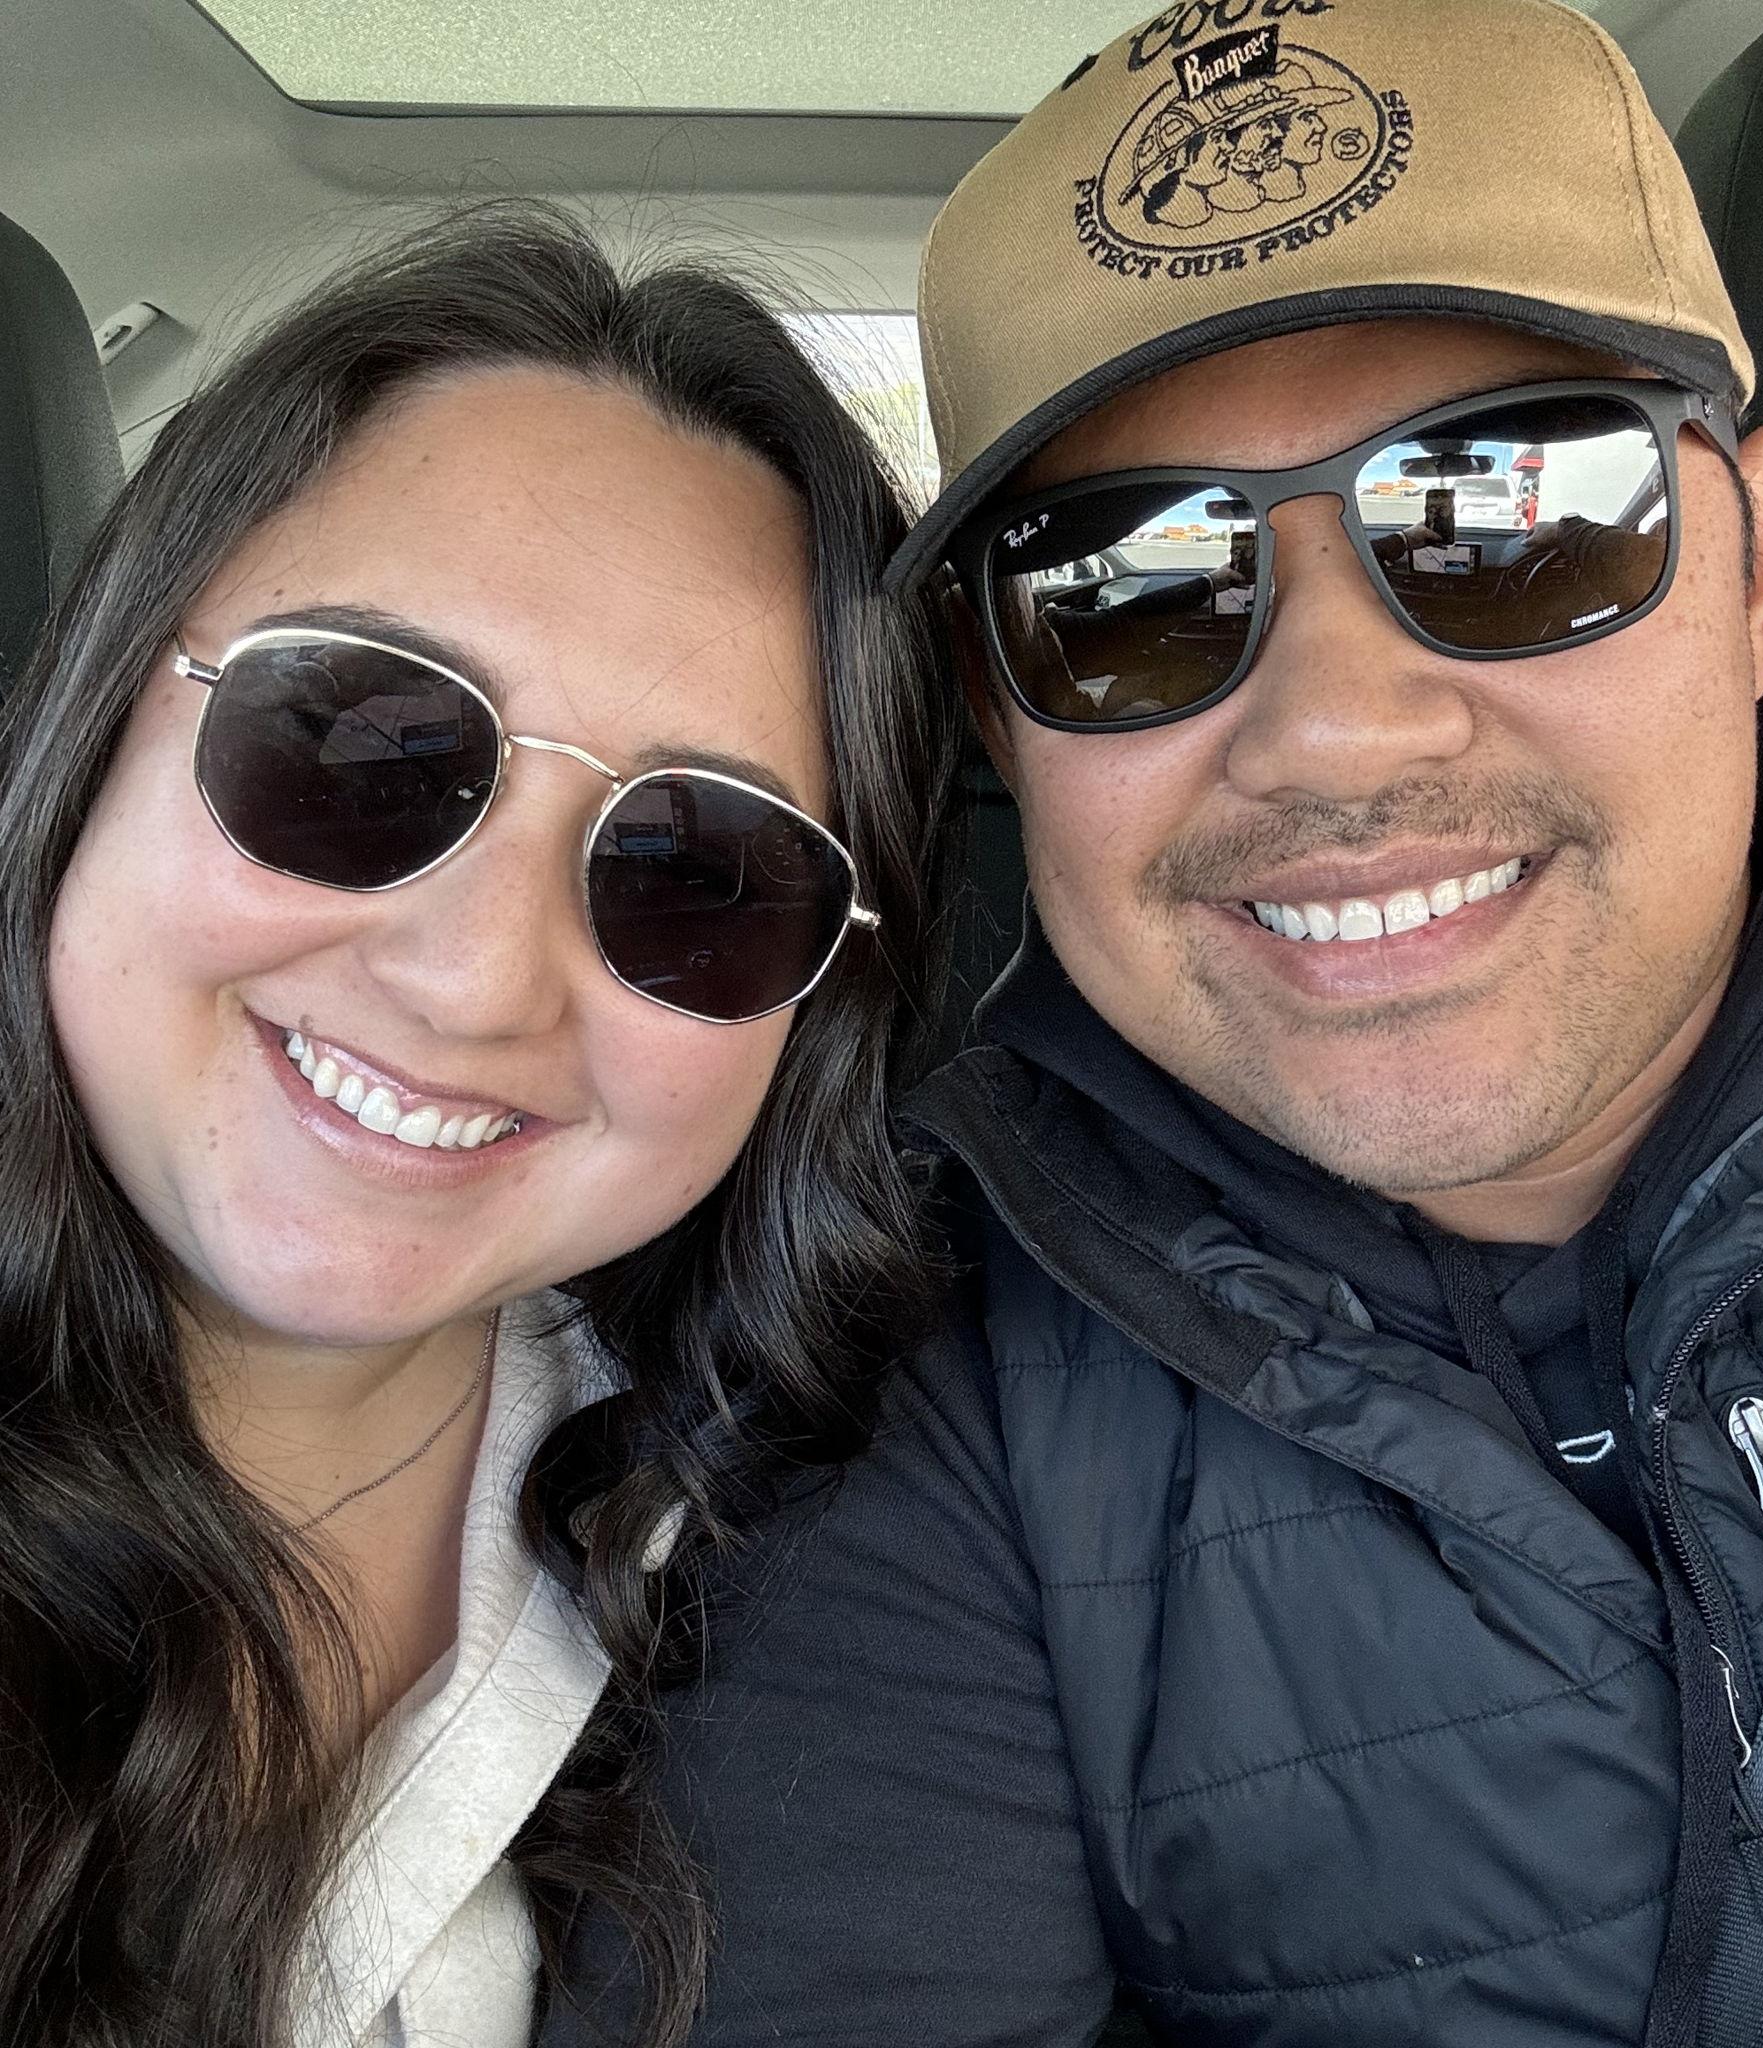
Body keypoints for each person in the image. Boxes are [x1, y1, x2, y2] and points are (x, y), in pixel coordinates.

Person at [569, 4, 1763, 2048]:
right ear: (997, 710)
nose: (1339, 729)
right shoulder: (910, 1379)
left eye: (1510, 513)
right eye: (1123, 589)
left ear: (1759, 562)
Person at [0, 203, 957, 2047]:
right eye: (355, 740)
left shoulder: (833, 1576)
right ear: (97, 714)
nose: (473, 983)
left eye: (698, 870)